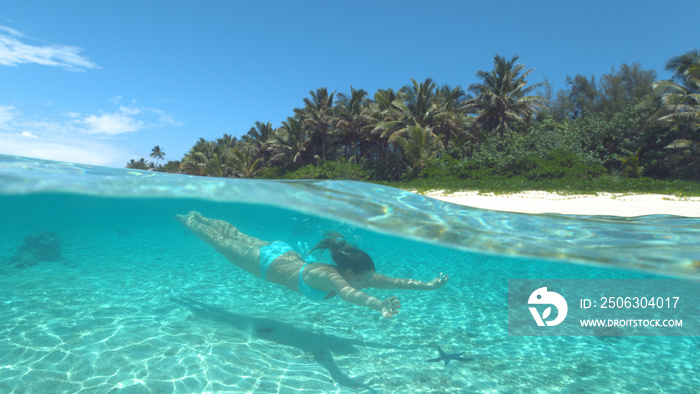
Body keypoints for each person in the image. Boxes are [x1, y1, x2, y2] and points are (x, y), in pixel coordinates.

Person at [176, 211, 449, 319]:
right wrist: (378, 305)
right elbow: (348, 294)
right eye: (365, 279)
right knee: (222, 243)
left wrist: (429, 286)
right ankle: (189, 220)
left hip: (283, 252)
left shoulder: (356, 275)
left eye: (369, 279)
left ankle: (199, 217)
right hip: (265, 262)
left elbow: (392, 281)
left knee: (234, 236)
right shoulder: (333, 278)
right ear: (350, 272)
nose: (368, 282)